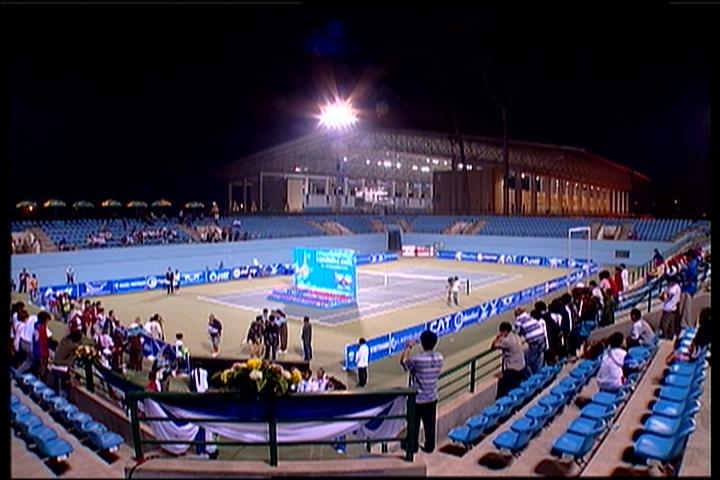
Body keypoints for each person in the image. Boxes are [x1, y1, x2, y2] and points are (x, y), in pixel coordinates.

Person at [400, 330, 443, 454]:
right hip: (432, 397)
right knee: (430, 425)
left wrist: (408, 347)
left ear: (422, 343)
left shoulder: (418, 359)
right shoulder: (439, 357)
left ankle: (413, 447)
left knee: (414, 425)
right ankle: (430, 446)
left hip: (418, 399)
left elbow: (403, 362)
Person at [492, 321, 526, 399]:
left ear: (504, 331)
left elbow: (493, 346)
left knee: (502, 388)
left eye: (501, 331)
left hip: (514, 369)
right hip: (522, 365)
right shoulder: (516, 336)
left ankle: (500, 402)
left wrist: (498, 338)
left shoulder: (507, 341)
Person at [513, 307, 546, 375]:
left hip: (534, 341)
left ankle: (530, 376)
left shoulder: (519, 320)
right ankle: (538, 375)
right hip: (542, 338)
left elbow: (516, 331)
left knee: (525, 361)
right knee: (538, 359)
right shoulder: (529, 317)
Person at [659, 275, 682, 339]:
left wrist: (663, 296)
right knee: (671, 323)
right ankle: (670, 336)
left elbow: (666, 296)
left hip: (669, 308)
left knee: (664, 323)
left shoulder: (673, 288)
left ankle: (665, 336)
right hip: (672, 307)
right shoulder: (676, 287)